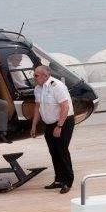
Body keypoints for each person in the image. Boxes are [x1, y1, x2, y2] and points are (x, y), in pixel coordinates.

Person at [30, 65, 74, 193]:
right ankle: (58, 179)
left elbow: (65, 106)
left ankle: (68, 181)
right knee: (53, 152)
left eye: (36, 75)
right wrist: (34, 126)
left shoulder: (57, 86)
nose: (34, 77)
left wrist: (59, 126)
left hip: (63, 122)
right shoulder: (38, 89)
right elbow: (37, 107)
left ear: (45, 75)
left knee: (62, 150)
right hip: (49, 124)